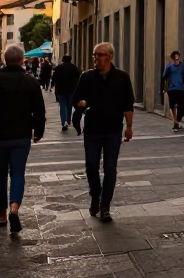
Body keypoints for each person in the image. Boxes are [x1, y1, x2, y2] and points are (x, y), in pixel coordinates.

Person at [0, 42, 45, 233]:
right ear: (22, 60)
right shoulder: (30, 82)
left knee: (1, 175)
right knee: (18, 173)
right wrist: (39, 130)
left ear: (4, 60)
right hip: (21, 135)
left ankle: (2, 215)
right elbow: (39, 109)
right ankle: (15, 208)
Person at [73, 42, 134, 222]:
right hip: (92, 130)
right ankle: (95, 195)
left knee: (110, 168)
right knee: (91, 166)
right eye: (95, 55)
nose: (96, 58)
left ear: (110, 57)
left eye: (100, 55)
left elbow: (128, 105)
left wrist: (129, 127)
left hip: (113, 130)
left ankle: (105, 205)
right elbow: (76, 99)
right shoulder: (87, 77)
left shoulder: (122, 78)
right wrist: (83, 103)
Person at [161, 50, 184, 132]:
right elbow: (164, 77)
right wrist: (164, 88)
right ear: (172, 59)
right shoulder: (169, 67)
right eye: (175, 59)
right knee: (173, 106)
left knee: (182, 109)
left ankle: (176, 121)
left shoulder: (183, 66)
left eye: (177, 59)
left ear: (179, 58)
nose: (176, 60)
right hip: (172, 89)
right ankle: (175, 123)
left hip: (181, 89)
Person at [51, 53, 80, 131]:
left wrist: (52, 85)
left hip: (60, 90)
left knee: (62, 106)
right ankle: (68, 120)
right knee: (69, 106)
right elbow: (79, 77)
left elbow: (54, 78)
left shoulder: (58, 68)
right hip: (71, 89)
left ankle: (63, 122)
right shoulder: (74, 67)